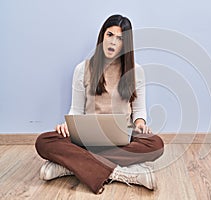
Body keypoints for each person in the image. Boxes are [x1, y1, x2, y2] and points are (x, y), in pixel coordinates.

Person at [35, 14, 164, 195]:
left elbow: (139, 111)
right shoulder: (83, 69)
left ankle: (69, 167)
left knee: (156, 144)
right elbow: (76, 110)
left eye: (120, 39)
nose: (113, 42)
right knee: (44, 141)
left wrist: (140, 123)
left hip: (121, 139)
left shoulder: (136, 72)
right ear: (102, 36)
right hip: (87, 140)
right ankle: (121, 173)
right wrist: (67, 125)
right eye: (109, 35)